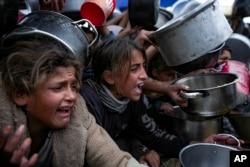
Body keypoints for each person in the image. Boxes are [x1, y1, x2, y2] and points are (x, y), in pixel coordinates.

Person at [80, 38, 243, 167]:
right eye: (134, 68)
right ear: (109, 77)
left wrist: (202, 146)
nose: (144, 75)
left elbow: (155, 137)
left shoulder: (131, 100)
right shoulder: (88, 103)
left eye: (144, 67)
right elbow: (95, 154)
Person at [0, 37, 148, 167]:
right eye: (58, 87)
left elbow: (114, 159)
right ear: (21, 94)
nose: (72, 96)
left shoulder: (79, 115)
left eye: (73, 86)